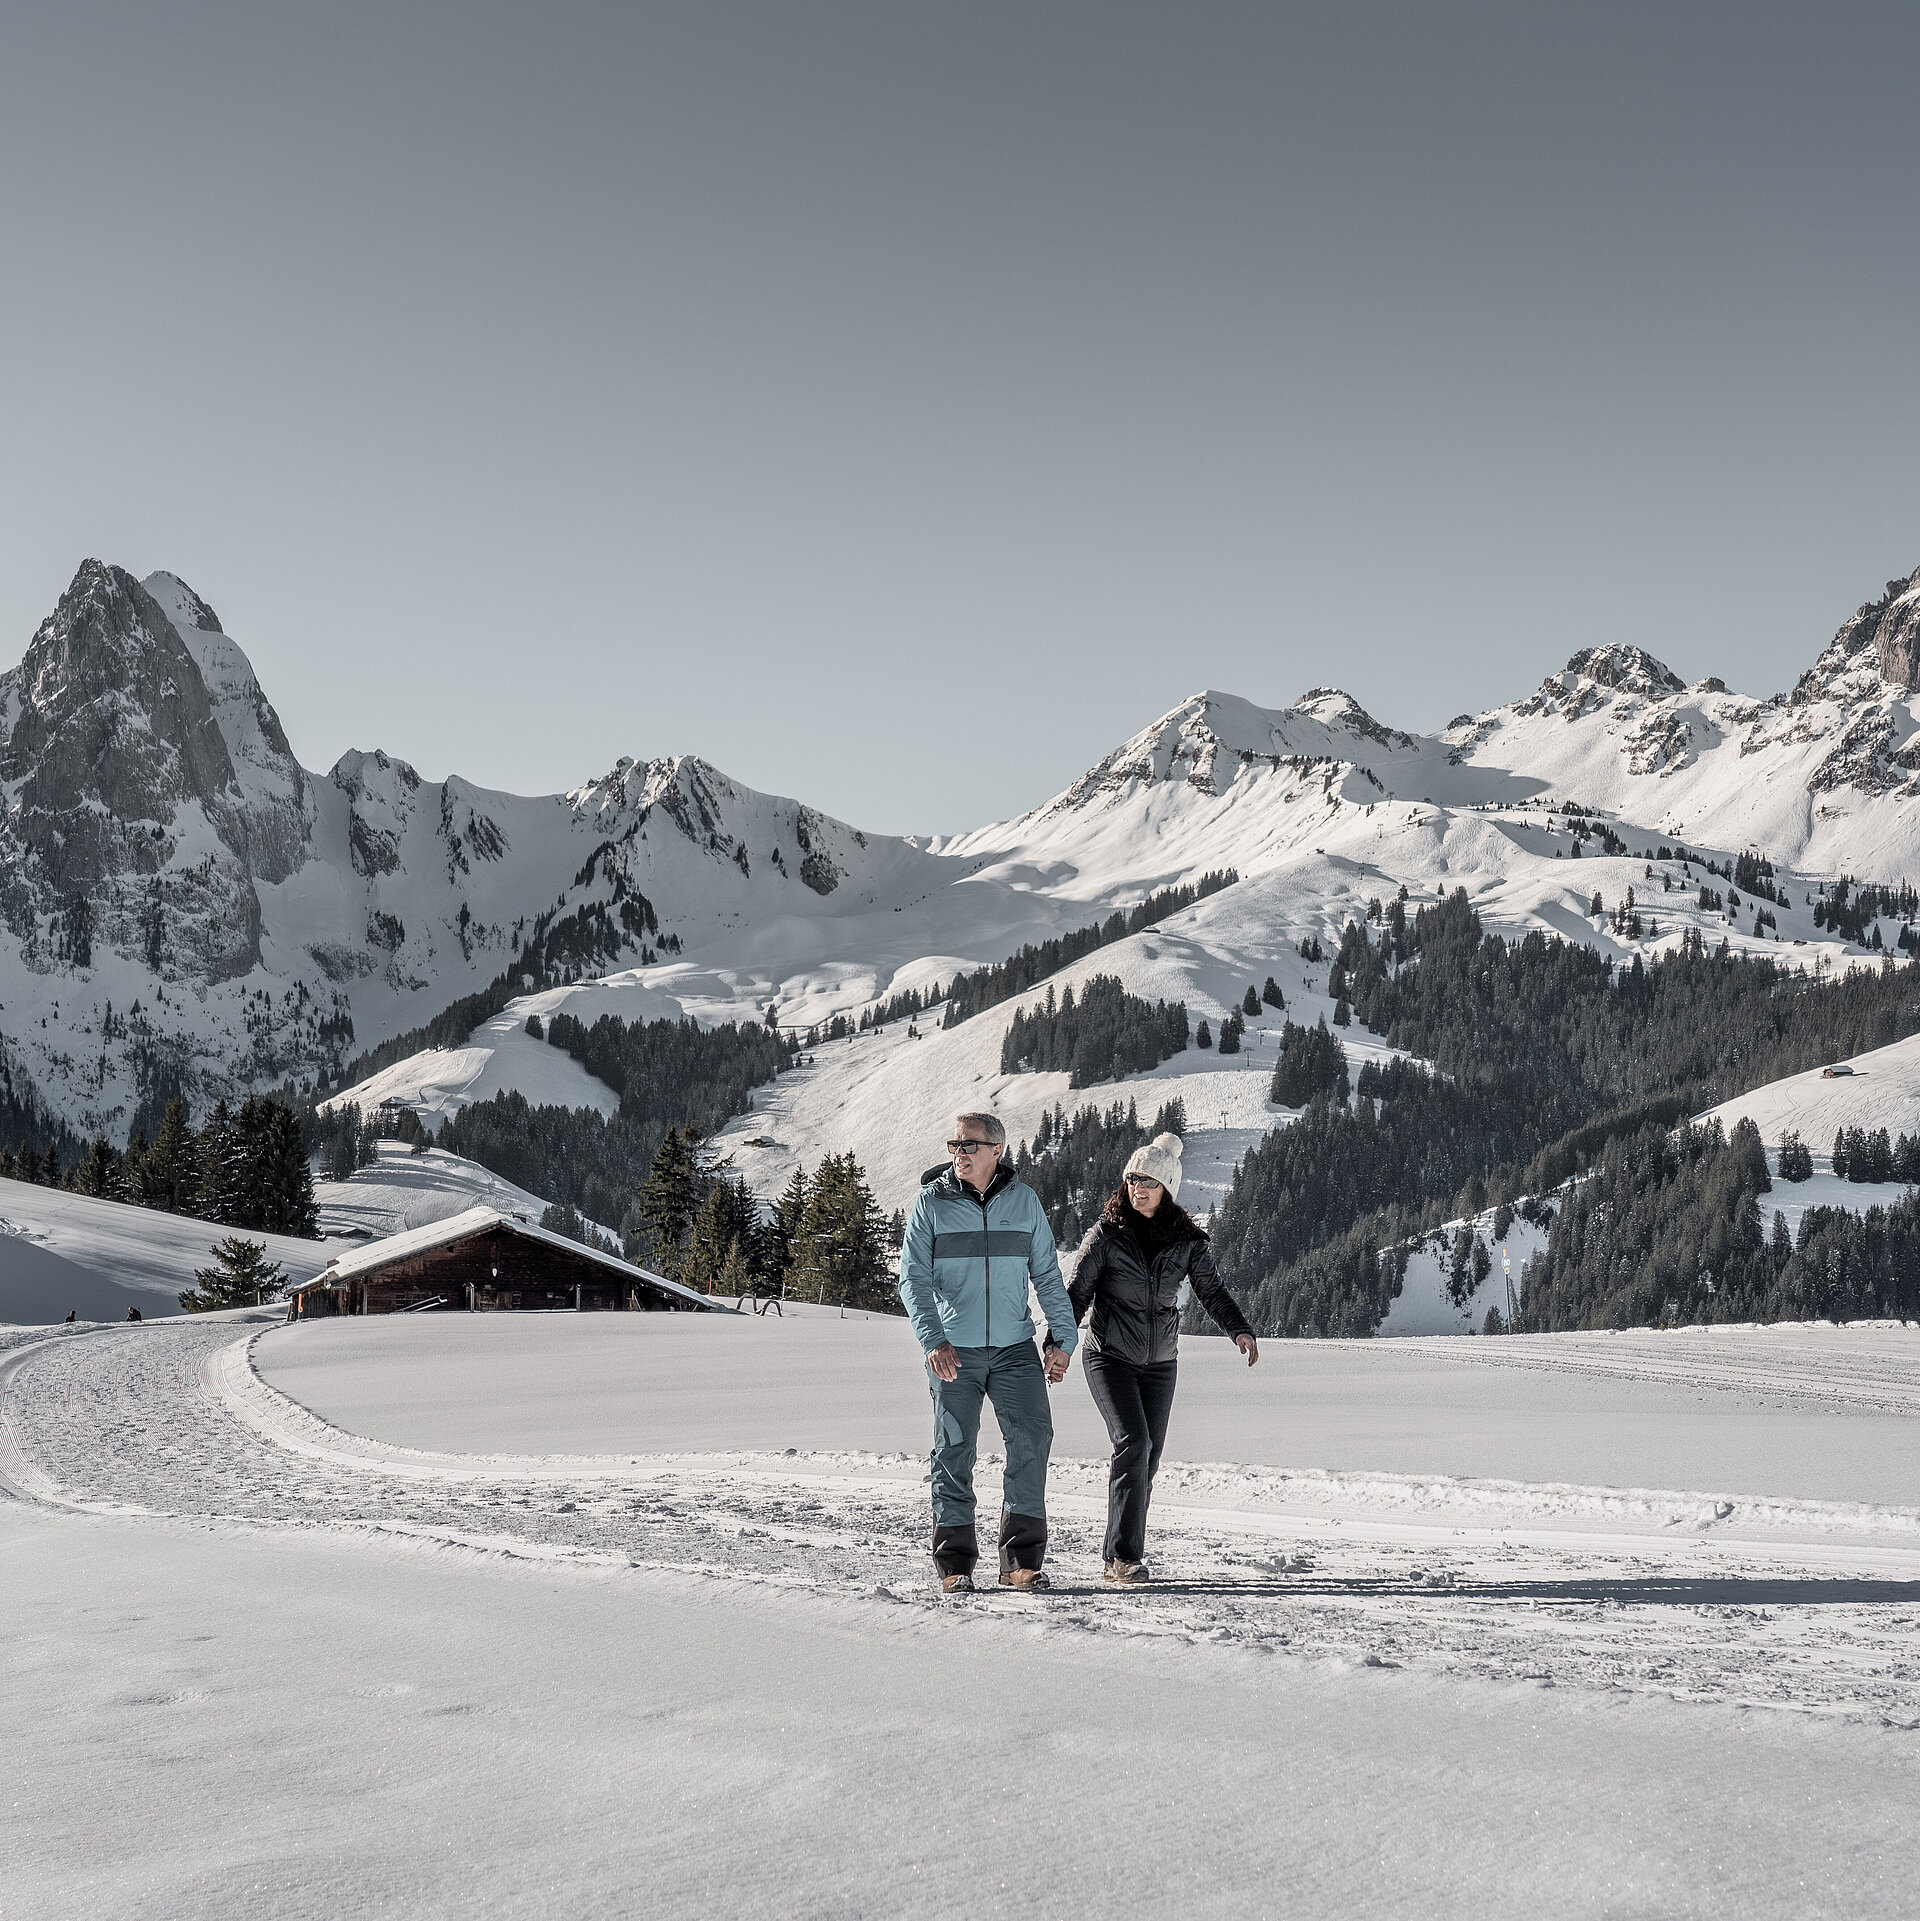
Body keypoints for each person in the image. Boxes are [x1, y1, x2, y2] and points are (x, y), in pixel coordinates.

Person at [897, 1112, 1077, 1594]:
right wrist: (932, 1340)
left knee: (1033, 1440)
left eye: (970, 1145)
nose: (959, 1152)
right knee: (954, 1449)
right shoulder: (930, 1205)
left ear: (997, 1150)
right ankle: (955, 1564)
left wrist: (1063, 1339)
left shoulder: (1024, 1202)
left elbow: (1047, 1275)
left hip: (1015, 1349)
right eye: (954, 1143)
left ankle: (1020, 1560)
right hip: (954, 1350)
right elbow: (911, 1280)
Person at [1068, 1132, 1258, 1585]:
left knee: (1148, 1459)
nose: (1138, 1188)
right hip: (1108, 1356)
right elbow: (1076, 1294)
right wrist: (1057, 1344)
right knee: (1133, 1443)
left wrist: (1239, 1328)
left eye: (1148, 1182)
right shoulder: (1107, 1235)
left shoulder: (1188, 1241)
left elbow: (1211, 1290)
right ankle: (1124, 1557)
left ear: (1166, 1189)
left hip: (1160, 1363)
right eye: (1132, 1180)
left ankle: (1119, 1551)